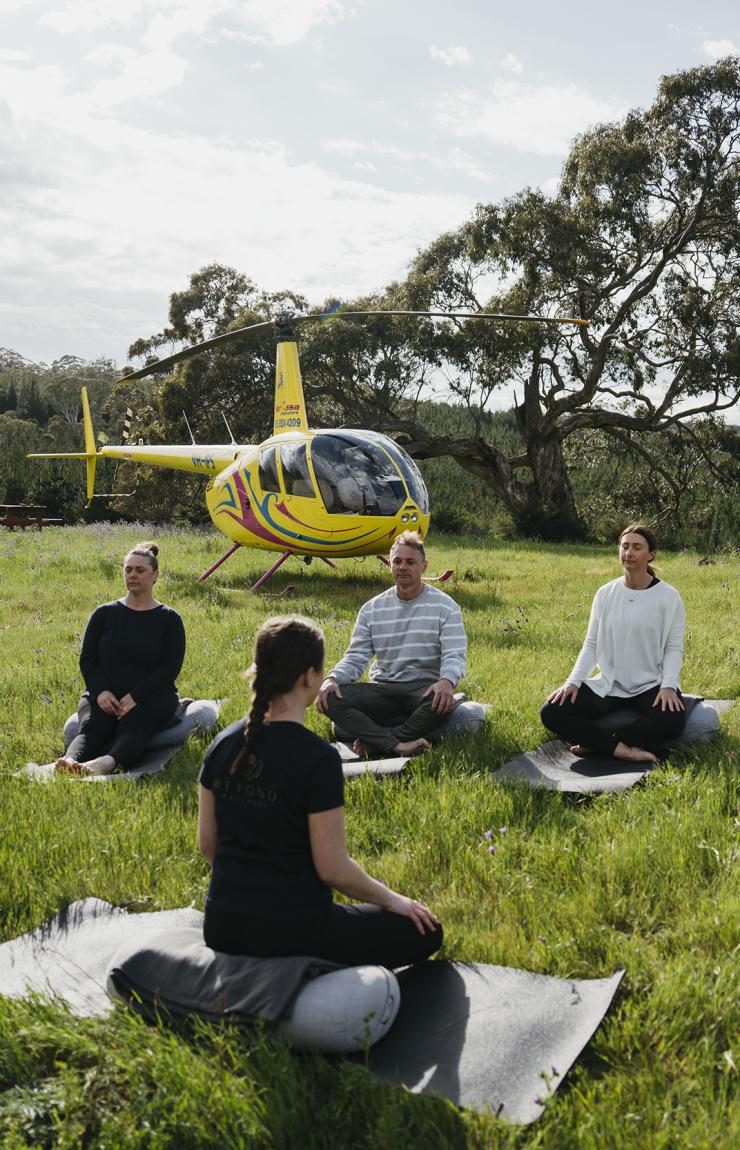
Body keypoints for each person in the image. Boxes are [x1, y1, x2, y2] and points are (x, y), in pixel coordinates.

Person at [198, 615, 442, 967]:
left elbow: (209, 847)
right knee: (427, 930)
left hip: (222, 926)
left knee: (366, 905)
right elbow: (333, 869)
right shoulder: (317, 757)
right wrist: (392, 899)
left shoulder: (221, 745)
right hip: (295, 932)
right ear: (310, 676)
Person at [540, 523, 687, 763]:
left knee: (673, 720)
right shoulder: (605, 593)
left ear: (651, 554)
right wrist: (573, 682)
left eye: (637, 547)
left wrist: (669, 685)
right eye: (625, 546)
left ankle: (599, 744)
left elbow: (673, 648)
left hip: (650, 684)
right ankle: (621, 749)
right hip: (609, 685)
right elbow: (591, 644)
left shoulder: (669, 597)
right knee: (551, 712)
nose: (629, 553)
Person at [315, 532, 467, 757]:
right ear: (389, 564)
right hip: (383, 689)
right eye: (397, 561)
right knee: (330, 699)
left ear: (423, 566)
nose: (403, 567)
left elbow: (454, 654)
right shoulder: (371, 609)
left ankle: (377, 741)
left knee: (441, 704)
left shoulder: (446, 607)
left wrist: (447, 681)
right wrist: (331, 679)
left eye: (410, 562)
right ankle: (398, 743)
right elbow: (356, 657)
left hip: (423, 690)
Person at [55, 542, 186, 775]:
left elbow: (169, 669)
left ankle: (103, 764)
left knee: (133, 727)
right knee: (93, 727)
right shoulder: (104, 613)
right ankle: (69, 761)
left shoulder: (170, 619)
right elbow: (88, 659)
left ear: (155, 575)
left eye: (140, 570)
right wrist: (101, 691)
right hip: (104, 694)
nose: (132, 575)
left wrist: (135, 697)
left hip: (152, 696)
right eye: (128, 570)